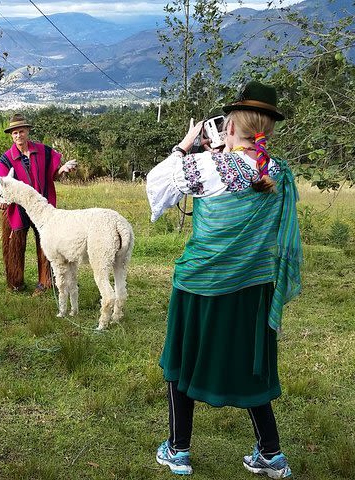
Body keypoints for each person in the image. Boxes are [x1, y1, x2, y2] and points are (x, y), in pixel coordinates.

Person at [146, 81, 302, 478]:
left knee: (182, 362)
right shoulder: (279, 174)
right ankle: (271, 453)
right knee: (253, 368)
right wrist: (219, 153)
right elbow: (250, 175)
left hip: (201, 284)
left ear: (230, 125)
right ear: (267, 127)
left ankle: (179, 450)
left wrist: (185, 145)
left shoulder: (206, 167)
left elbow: (157, 186)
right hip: (254, 287)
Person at [0, 113, 77, 295]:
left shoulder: (43, 151)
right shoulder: (7, 158)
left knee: (46, 243)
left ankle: (46, 282)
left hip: (41, 207)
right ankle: (15, 283)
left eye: (21, 131)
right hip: (17, 209)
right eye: (14, 133)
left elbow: (52, 173)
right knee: (14, 245)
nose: (18, 136)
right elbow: (0, 181)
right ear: (11, 135)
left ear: (27, 131)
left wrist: (61, 169)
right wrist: (1, 200)